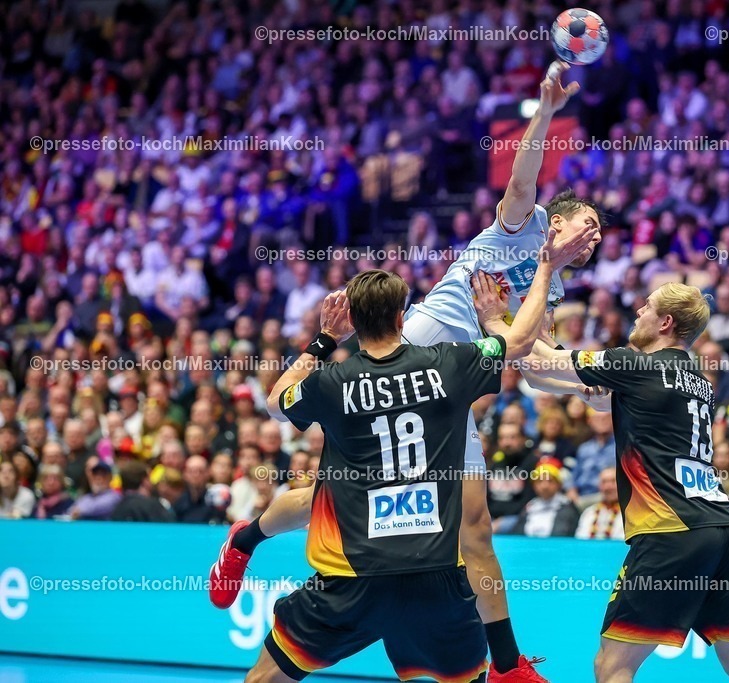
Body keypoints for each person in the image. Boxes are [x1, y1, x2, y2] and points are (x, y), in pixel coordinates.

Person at [209, 61, 600, 683]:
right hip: (414, 349)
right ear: (559, 221)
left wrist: (593, 384)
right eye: (590, 224)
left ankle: (506, 665)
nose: (596, 236)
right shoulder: (521, 230)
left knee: (474, 525)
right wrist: (547, 110)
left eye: (601, 233)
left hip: (453, 388)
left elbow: (530, 360)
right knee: (339, 495)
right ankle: (247, 538)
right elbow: (525, 174)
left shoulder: (547, 293)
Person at [235, 234, 595, 681]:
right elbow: (519, 344)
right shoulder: (449, 364)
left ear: (355, 323)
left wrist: (325, 340)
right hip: (436, 576)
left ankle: (246, 540)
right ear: (402, 318)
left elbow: (273, 402)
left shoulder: (330, 383)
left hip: (350, 576)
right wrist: (541, 270)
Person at [481, 280, 729, 682]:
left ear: (665, 322)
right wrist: (543, 341)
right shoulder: (699, 381)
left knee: (612, 665)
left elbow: (546, 364)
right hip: (722, 529)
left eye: (647, 307)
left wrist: (496, 319)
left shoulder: (635, 365)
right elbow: (552, 379)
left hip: (670, 531)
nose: (638, 312)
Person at [575, 467, 624, 540]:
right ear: (599, 486)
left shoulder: (630, 513)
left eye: (613, 481)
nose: (608, 487)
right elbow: (580, 541)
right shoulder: (589, 512)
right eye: (604, 482)